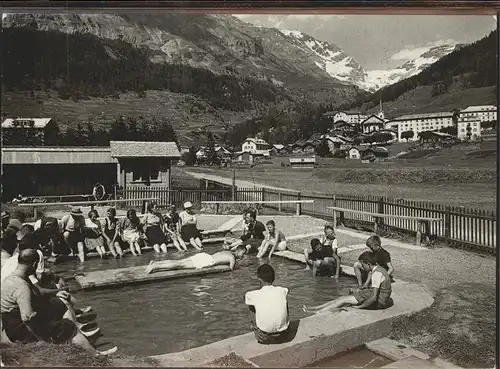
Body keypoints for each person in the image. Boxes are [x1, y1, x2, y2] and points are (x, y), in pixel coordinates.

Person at [1, 248, 117, 355]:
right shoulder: (22, 286)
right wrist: (44, 339)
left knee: (56, 307)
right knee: (68, 326)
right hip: (21, 332)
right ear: (35, 264)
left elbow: (38, 292)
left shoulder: (11, 279)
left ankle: (78, 340)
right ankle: (95, 355)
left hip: (10, 325)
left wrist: (56, 293)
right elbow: (27, 318)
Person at [303, 251, 392, 313]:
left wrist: (359, 307)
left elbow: (373, 297)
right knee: (343, 298)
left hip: (379, 303)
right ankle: (316, 308)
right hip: (380, 297)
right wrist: (363, 289)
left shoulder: (376, 274)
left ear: (368, 263)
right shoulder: (380, 269)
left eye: (362, 264)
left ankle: (318, 311)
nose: (362, 267)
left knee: (344, 300)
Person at [245, 264, 291, 344]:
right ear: (274, 278)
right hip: (284, 335)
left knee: (250, 302)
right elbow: (285, 293)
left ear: (259, 279)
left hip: (264, 337)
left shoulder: (253, 294)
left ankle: (253, 326)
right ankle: (284, 323)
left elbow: (246, 296)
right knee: (283, 299)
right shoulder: (282, 290)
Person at [145, 247, 246, 275]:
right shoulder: (232, 257)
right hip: (207, 261)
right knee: (180, 265)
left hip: (204, 256)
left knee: (180, 261)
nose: (243, 256)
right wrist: (239, 269)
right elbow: (231, 269)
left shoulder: (227, 252)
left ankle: (156, 263)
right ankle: (155, 267)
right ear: (239, 251)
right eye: (243, 253)